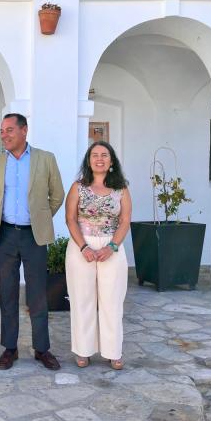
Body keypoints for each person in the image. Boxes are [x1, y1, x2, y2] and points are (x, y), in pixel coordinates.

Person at [0, 113, 64, 371]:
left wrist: (40, 218)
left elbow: (57, 195)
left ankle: (42, 349)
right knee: (7, 293)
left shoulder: (45, 159)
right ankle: (10, 348)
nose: (5, 135)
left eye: (9, 130)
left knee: (38, 294)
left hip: (34, 235)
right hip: (6, 235)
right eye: (2, 130)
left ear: (24, 131)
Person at [64, 140, 131, 370]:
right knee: (83, 300)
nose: (99, 158)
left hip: (111, 248)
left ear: (111, 161)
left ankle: (114, 351)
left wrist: (111, 247)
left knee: (112, 301)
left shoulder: (121, 189)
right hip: (81, 248)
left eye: (104, 155)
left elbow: (124, 221)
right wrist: (84, 247)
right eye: (95, 155)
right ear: (88, 160)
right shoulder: (78, 187)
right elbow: (70, 219)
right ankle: (83, 350)